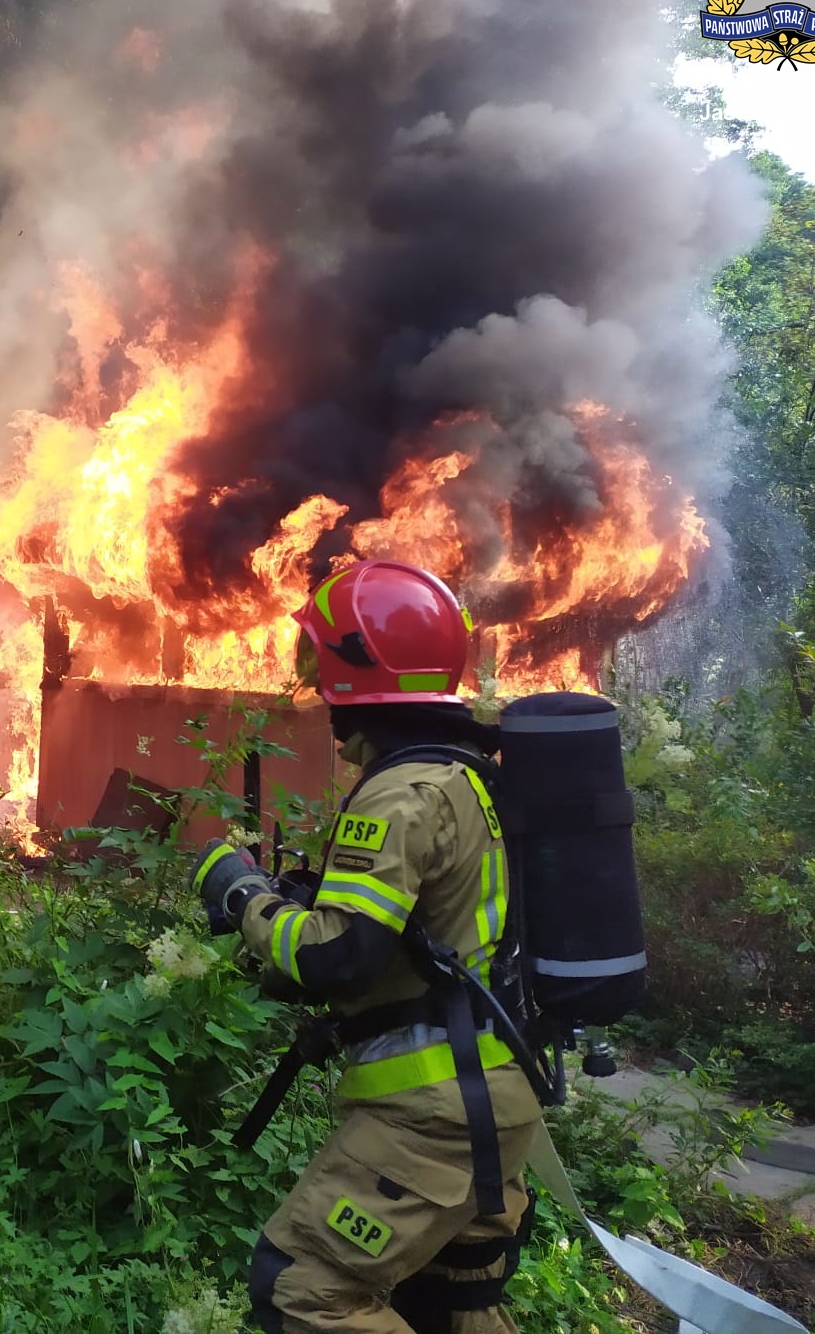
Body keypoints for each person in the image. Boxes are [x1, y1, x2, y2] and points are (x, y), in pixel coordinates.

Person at [196, 560, 544, 1333]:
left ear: (359, 672)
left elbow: (338, 958)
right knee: (454, 1306)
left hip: (431, 1117)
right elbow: (426, 937)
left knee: (302, 1291)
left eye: (322, 663)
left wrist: (244, 897)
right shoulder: (471, 778)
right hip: (494, 1099)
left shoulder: (399, 794)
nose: (317, 686)